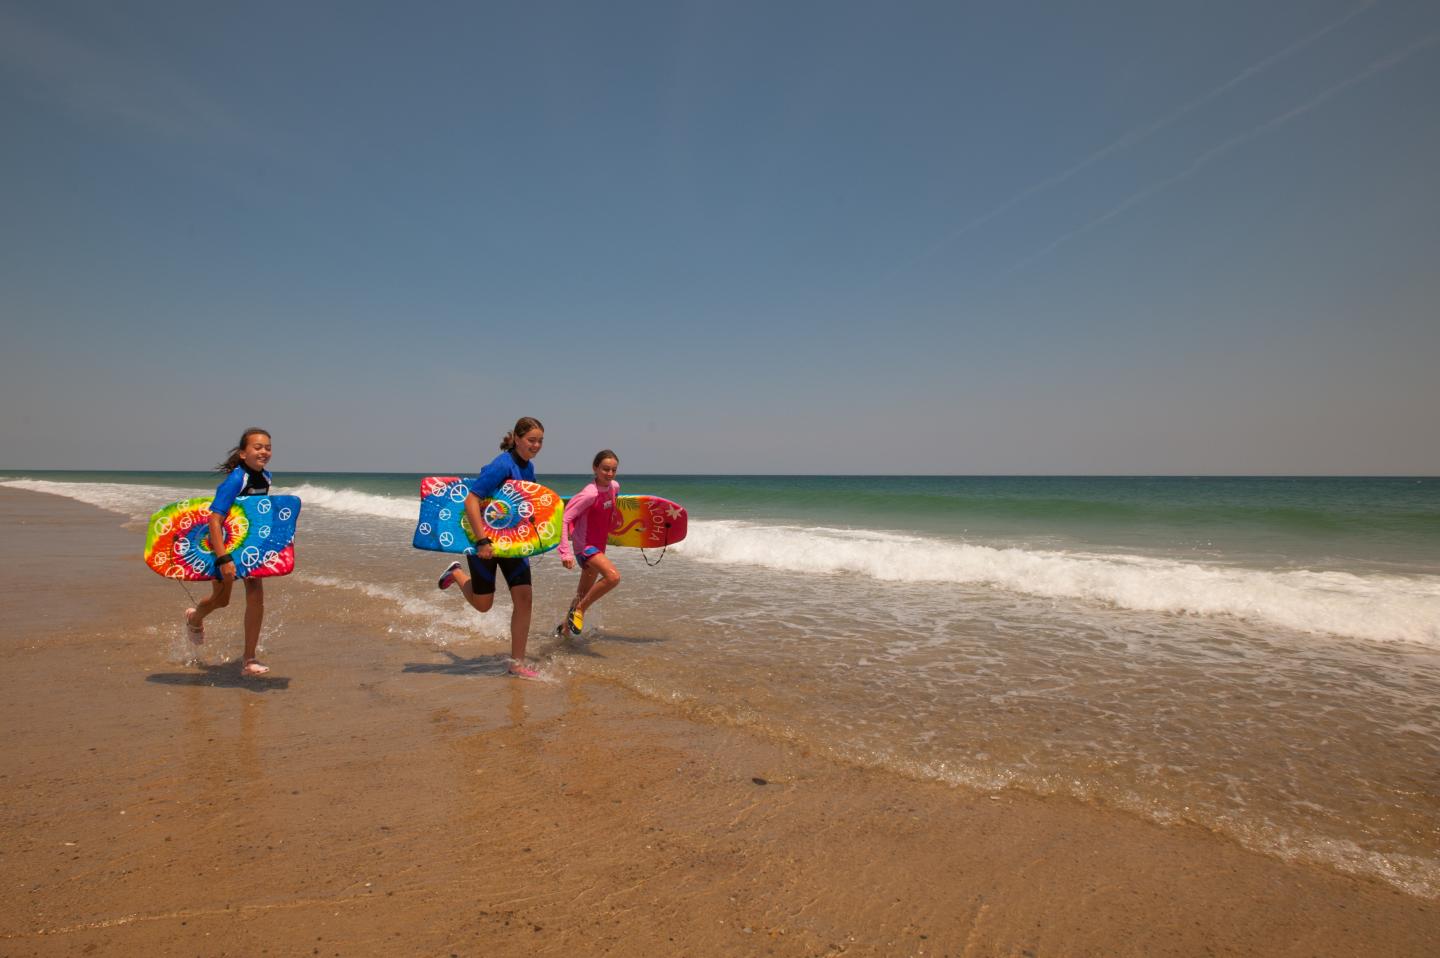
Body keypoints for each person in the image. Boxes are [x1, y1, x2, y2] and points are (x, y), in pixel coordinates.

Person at [436, 416, 546, 678]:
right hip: (485, 541)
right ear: (517, 438)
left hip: (512, 542)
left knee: (524, 598)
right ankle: (456, 573)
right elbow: (471, 500)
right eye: (531, 440)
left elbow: (521, 504)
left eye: (540, 441)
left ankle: (516, 664)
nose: (536, 445)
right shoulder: (501, 465)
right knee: (483, 604)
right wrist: (482, 540)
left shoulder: (528, 468)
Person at [183, 427, 275, 677]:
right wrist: (223, 559)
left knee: (256, 596)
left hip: (248, 546)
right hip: (223, 546)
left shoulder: (266, 477)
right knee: (221, 600)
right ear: (243, 453)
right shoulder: (236, 480)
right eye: (258, 447)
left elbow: (255, 514)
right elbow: (214, 520)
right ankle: (194, 618)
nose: (264, 452)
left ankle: (249, 659)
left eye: (268, 447)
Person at [557, 449, 622, 637]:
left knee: (581, 594)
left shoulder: (614, 487)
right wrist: (565, 552)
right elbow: (564, 519)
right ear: (595, 468)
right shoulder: (589, 494)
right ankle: (580, 610)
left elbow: (609, 511)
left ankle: (564, 631)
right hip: (585, 547)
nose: (609, 474)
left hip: (599, 546)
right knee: (613, 577)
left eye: (613, 470)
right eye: (605, 469)